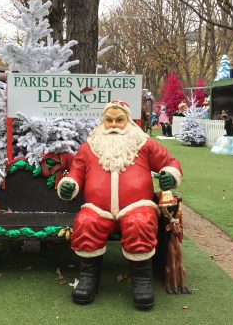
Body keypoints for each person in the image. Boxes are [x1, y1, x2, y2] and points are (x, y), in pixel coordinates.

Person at [57, 100, 183, 310]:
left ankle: (142, 278)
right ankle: (89, 276)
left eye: (119, 120)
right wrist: (69, 184)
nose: (114, 124)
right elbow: (76, 172)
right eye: (109, 120)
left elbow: (170, 162)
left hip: (137, 206)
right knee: (86, 222)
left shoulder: (144, 144)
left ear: (128, 121)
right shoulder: (90, 147)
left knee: (140, 224)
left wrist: (169, 174)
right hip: (97, 208)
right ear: (102, 121)